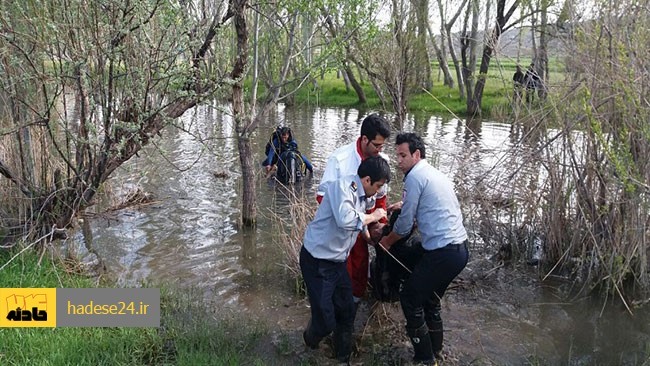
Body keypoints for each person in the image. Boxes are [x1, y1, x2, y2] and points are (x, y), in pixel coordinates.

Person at [378, 133, 469, 364]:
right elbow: (429, 207)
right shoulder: (433, 173)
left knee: (409, 298)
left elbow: (406, 223)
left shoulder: (415, 177)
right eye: (397, 155)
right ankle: (436, 351)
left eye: (402, 155)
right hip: (460, 250)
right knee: (430, 300)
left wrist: (386, 242)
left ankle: (424, 359)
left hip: (443, 252)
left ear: (416, 155)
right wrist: (404, 205)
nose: (398, 160)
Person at [301, 156, 390, 363]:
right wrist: (375, 216)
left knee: (347, 311)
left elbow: (359, 222)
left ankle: (343, 358)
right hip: (317, 261)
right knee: (325, 322)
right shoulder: (342, 187)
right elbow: (346, 220)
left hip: (338, 261)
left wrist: (368, 237)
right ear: (366, 180)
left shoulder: (363, 194)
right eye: (377, 186)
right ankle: (309, 341)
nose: (378, 192)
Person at [316, 113, 392, 310]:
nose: (379, 150)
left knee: (360, 268)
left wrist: (377, 225)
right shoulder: (340, 160)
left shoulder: (382, 160)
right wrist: (353, 220)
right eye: (376, 145)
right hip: (340, 228)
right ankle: (335, 310)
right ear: (364, 139)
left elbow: (381, 199)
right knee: (340, 270)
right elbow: (322, 198)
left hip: (365, 225)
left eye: (382, 146)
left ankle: (353, 309)